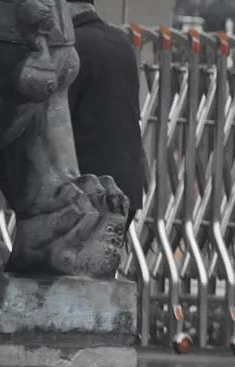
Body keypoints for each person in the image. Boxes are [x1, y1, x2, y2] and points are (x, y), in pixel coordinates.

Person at [66, 0, 143, 226]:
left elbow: (60, 119)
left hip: (88, 188)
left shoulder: (74, 48)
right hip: (126, 187)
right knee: (108, 257)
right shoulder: (121, 43)